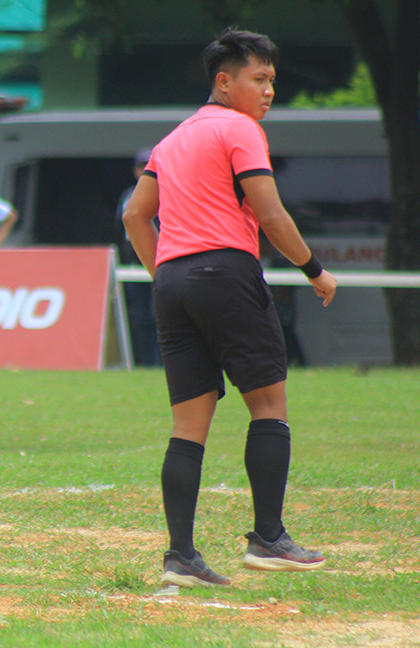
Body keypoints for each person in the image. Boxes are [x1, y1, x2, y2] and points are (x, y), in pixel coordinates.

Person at [122, 29, 338, 588]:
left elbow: (134, 216)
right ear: (225, 82)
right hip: (227, 271)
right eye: (258, 78)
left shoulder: (172, 140)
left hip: (173, 282)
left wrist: (167, 274)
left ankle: (181, 557)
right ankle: (269, 539)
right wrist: (314, 269)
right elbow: (269, 213)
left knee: (188, 425)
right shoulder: (239, 128)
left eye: (272, 80)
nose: (268, 91)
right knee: (268, 404)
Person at [115, 148, 161, 367]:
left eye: (148, 167)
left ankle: (160, 363)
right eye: (140, 167)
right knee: (140, 316)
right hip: (133, 265)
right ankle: (145, 363)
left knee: (157, 315)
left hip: (158, 263)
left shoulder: (166, 193)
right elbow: (119, 227)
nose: (143, 171)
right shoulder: (127, 196)